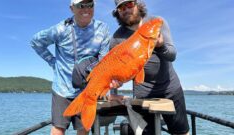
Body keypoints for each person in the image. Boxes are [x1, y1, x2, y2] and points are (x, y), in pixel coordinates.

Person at [30, 0, 118, 134]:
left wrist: (108, 85)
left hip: (88, 89)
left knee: (83, 128)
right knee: (58, 128)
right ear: (72, 8)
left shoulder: (103, 28)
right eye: (81, 5)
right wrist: (53, 63)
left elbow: (103, 60)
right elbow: (36, 42)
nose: (86, 9)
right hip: (62, 88)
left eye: (90, 5)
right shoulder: (60, 29)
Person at [108, 0, 190, 135]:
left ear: (137, 4)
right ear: (117, 12)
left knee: (181, 132)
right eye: (121, 8)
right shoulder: (116, 39)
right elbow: (112, 73)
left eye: (129, 4)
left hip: (170, 88)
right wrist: (113, 94)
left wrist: (161, 45)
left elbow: (172, 55)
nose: (126, 9)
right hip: (142, 94)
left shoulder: (156, 22)